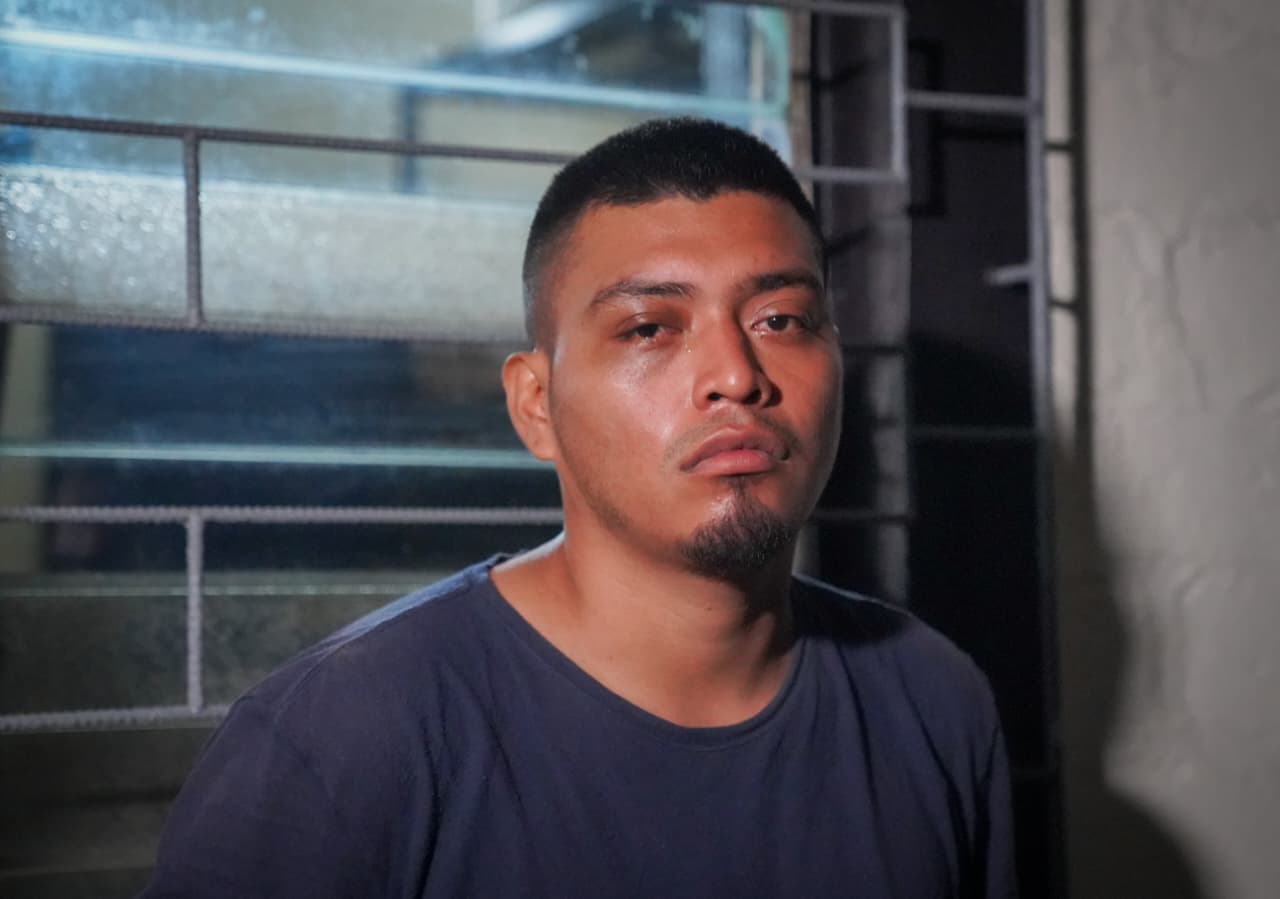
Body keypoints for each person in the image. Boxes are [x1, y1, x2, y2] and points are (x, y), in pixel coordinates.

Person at [141, 118, 1016, 898]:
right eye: (649, 328)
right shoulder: (343, 741)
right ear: (536, 406)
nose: (735, 375)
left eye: (781, 319)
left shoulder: (932, 698)